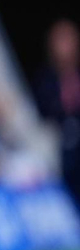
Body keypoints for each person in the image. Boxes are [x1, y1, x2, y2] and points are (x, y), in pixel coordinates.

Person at [35, 19, 80, 213]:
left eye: (68, 39)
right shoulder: (45, 81)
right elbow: (41, 116)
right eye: (59, 41)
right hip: (61, 153)